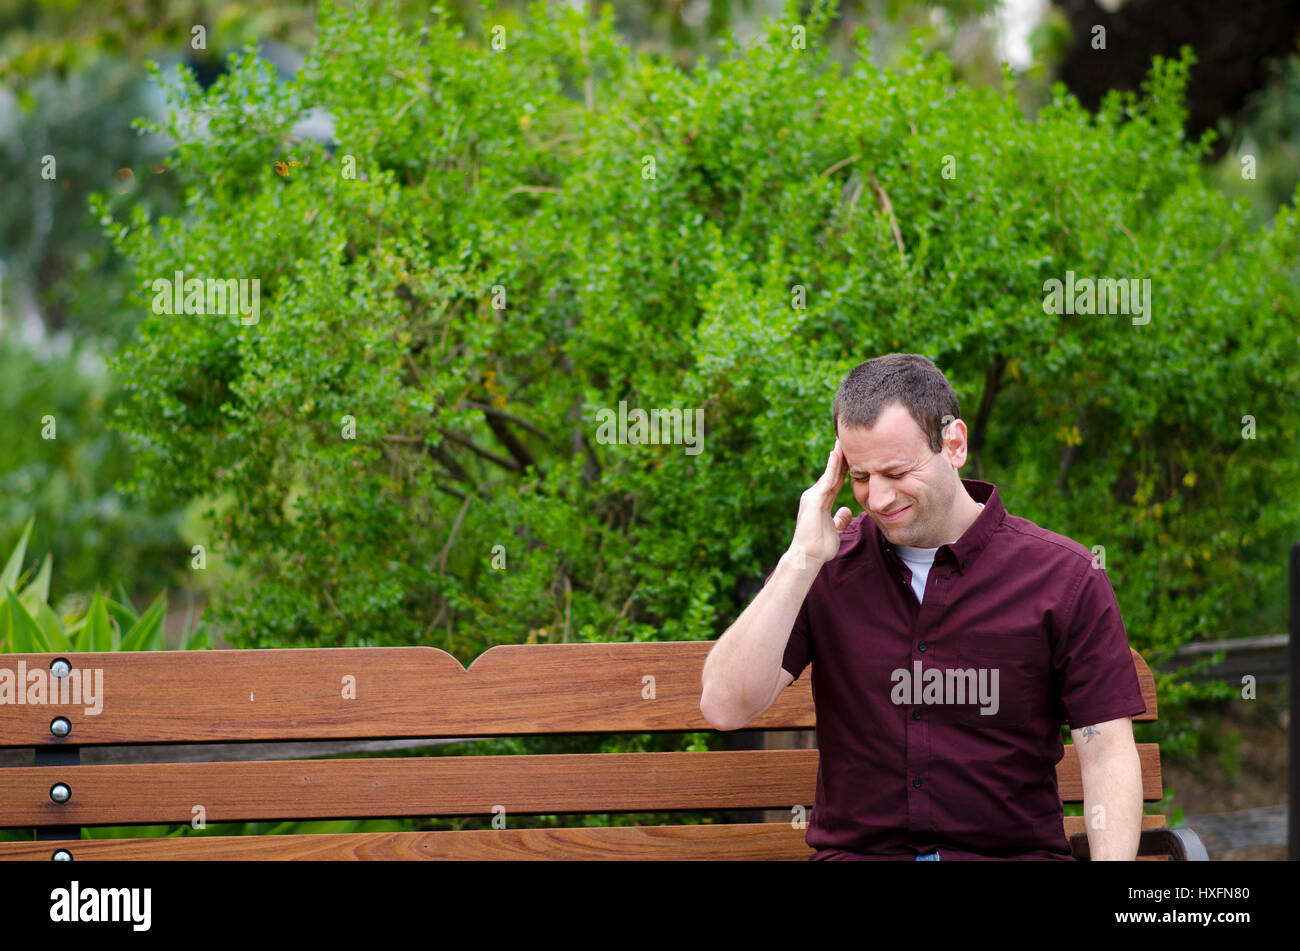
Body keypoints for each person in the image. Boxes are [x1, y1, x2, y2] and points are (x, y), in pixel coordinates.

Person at [700, 353, 1147, 860]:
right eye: (862, 476)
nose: (879, 498)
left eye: (897, 471)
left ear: (953, 444)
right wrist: (800, 560)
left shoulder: (1064, 576)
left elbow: (1106, 750)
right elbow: (723, 705)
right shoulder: (824, 570)